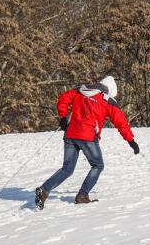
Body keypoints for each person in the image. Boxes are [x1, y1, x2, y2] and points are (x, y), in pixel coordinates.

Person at [35, 76, 139, 208]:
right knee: (98, 165)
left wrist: (62, 116)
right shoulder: (107, 99)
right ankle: (82, 195)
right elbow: (121, 123)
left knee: (67, 169)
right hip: (87, 136)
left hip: (70, 134)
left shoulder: (80, 90)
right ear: (110, 90)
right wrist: (131, 141)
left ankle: (43, 191)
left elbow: (63, 98)